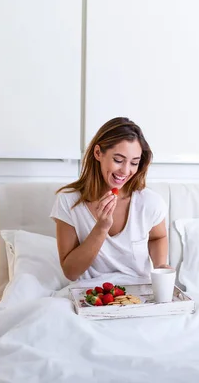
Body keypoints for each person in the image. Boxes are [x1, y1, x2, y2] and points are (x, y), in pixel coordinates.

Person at [50, 117, 170, 281]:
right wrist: (100, 229)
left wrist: (160, 266)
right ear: (98, 153)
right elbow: (70, 272)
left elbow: (158, 237)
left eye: (134, 163)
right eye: (118, 160)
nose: (125, 171)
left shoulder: (149, 202)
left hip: (137, 297)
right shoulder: (68, 201)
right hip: (91, 297)